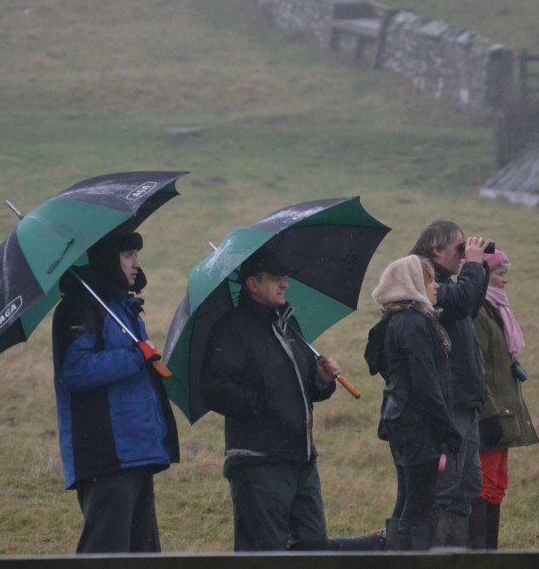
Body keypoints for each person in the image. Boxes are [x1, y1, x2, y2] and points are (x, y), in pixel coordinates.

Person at [200, 247, 341, 551]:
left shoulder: (289, 324)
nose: (285, 284)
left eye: (286, 277)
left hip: (301, 459)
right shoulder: (232, 329)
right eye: (277, 278)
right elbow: (213, 387)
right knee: (265, 554)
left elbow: (302, 388)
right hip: (258, 464)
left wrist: (321, 380)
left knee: (314, 546)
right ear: (252, 284)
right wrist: (262, 403)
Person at [51, 230, 179, 554]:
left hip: (137, 451)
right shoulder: (78, 308)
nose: (136, 264)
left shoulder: (122, 307)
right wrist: (137, 355)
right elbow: (76, 371)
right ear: (109, 259)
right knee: (106, 553)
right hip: (106, 454)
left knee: (142, 553)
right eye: (128, 255)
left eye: (135, 255)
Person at [365, 255, 463, 550]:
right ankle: (405, 556)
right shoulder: (414, 324)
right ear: (413, 283)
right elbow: (424, 382)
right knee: (418, 505)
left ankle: (398, 553)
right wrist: (447, 428)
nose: (436, 287)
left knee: (409, 498)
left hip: (404, 421)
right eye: (429, 280)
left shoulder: (398, 320)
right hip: (417, 425)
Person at [409, 220, 490, 546]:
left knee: (466, 485)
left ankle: (455, 553)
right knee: (447, 488)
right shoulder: (422, 282)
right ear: (435, 249)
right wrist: (472, 266)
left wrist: (477, 268)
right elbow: (459, 302)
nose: (462, 255)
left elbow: (467, 306)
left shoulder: (446, 284)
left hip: (463, 399)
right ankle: (438, 555)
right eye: (458, 248)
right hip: (447, 402)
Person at [469, 250, 539, 549]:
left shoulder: (496, 310)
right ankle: (479, 555)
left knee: (497, 485)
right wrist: (490, 415)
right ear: (484, 275)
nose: (505, 279)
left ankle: (491, 553)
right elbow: (476, 370)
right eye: (500, 273)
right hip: (492, 418)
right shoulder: (479, 314)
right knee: (483, 487)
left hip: (505, 414)